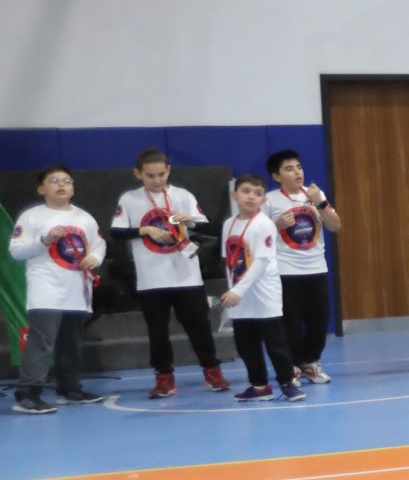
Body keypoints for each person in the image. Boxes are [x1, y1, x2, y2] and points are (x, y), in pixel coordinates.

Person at [113, 147, 226, 397]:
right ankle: (164, 377)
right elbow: (116, 231)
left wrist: (191, 221)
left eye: (161, 174)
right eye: (150, 176)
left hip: (187, 276)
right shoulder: (130, 199)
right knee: (158, 331)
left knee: (199, 326)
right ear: (138, 174)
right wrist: (145, 230)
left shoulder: (182, 195)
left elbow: (207, 227)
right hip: (151, 279)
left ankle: (212, 370)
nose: (157, 180)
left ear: (169, 171)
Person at [10, 165, 106, 414]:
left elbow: (99, 244)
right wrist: (44, 240)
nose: (61, 184)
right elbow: (16, 251)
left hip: (77, 289)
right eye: (54, 181)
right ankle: (27, 394)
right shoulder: (32, 217)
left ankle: (69, 388)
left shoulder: (85, 218)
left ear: (73, 188)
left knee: (71, 342)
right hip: (46, 289)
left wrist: (95, 258)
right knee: (42, 342)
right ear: (41, 189)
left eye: (67, 181)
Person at [216, 173, 300, 405]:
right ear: (234, 195)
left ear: (263, 199)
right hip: (240, 298)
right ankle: (259, 386)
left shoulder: (264, 225)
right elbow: (229, 260)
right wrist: (231, 289)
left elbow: (261, 262)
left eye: (257, 193)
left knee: (275, 343)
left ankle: (287, 383)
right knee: (246, 345)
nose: (251, 197)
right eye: (246, 191)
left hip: (263, 295)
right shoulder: (228, 224)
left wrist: (238, 291)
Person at [264, 148, 339, 385]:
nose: (297, 172)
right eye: (289, 169)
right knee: (291, 323)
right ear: (276, 176)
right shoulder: (270, 200)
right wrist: (276, 224)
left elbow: (335, 225)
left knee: (320, 320)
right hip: (286, 270)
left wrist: (321, 203)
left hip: (316, 268)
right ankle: (293, 366)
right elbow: (259, 235)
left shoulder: (315, 194)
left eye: (299, 167)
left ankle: (310, 362)